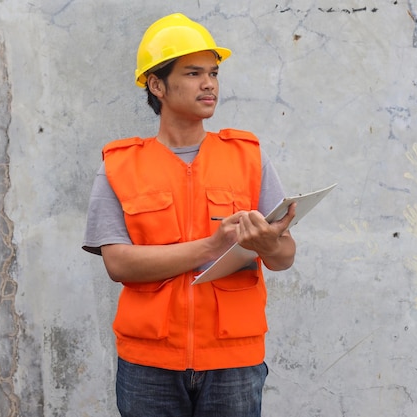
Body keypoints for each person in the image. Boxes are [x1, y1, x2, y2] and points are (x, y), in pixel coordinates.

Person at [82, 13, 297, 417]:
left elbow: (284, 258)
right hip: (150, 363)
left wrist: (271, 244)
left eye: (213, 73)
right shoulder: (120, 165)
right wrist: (213, 246)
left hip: (233, 359)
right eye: (194, 72)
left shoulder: (247, 157)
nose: (209, 84)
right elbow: (118, 263)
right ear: (156, 84)